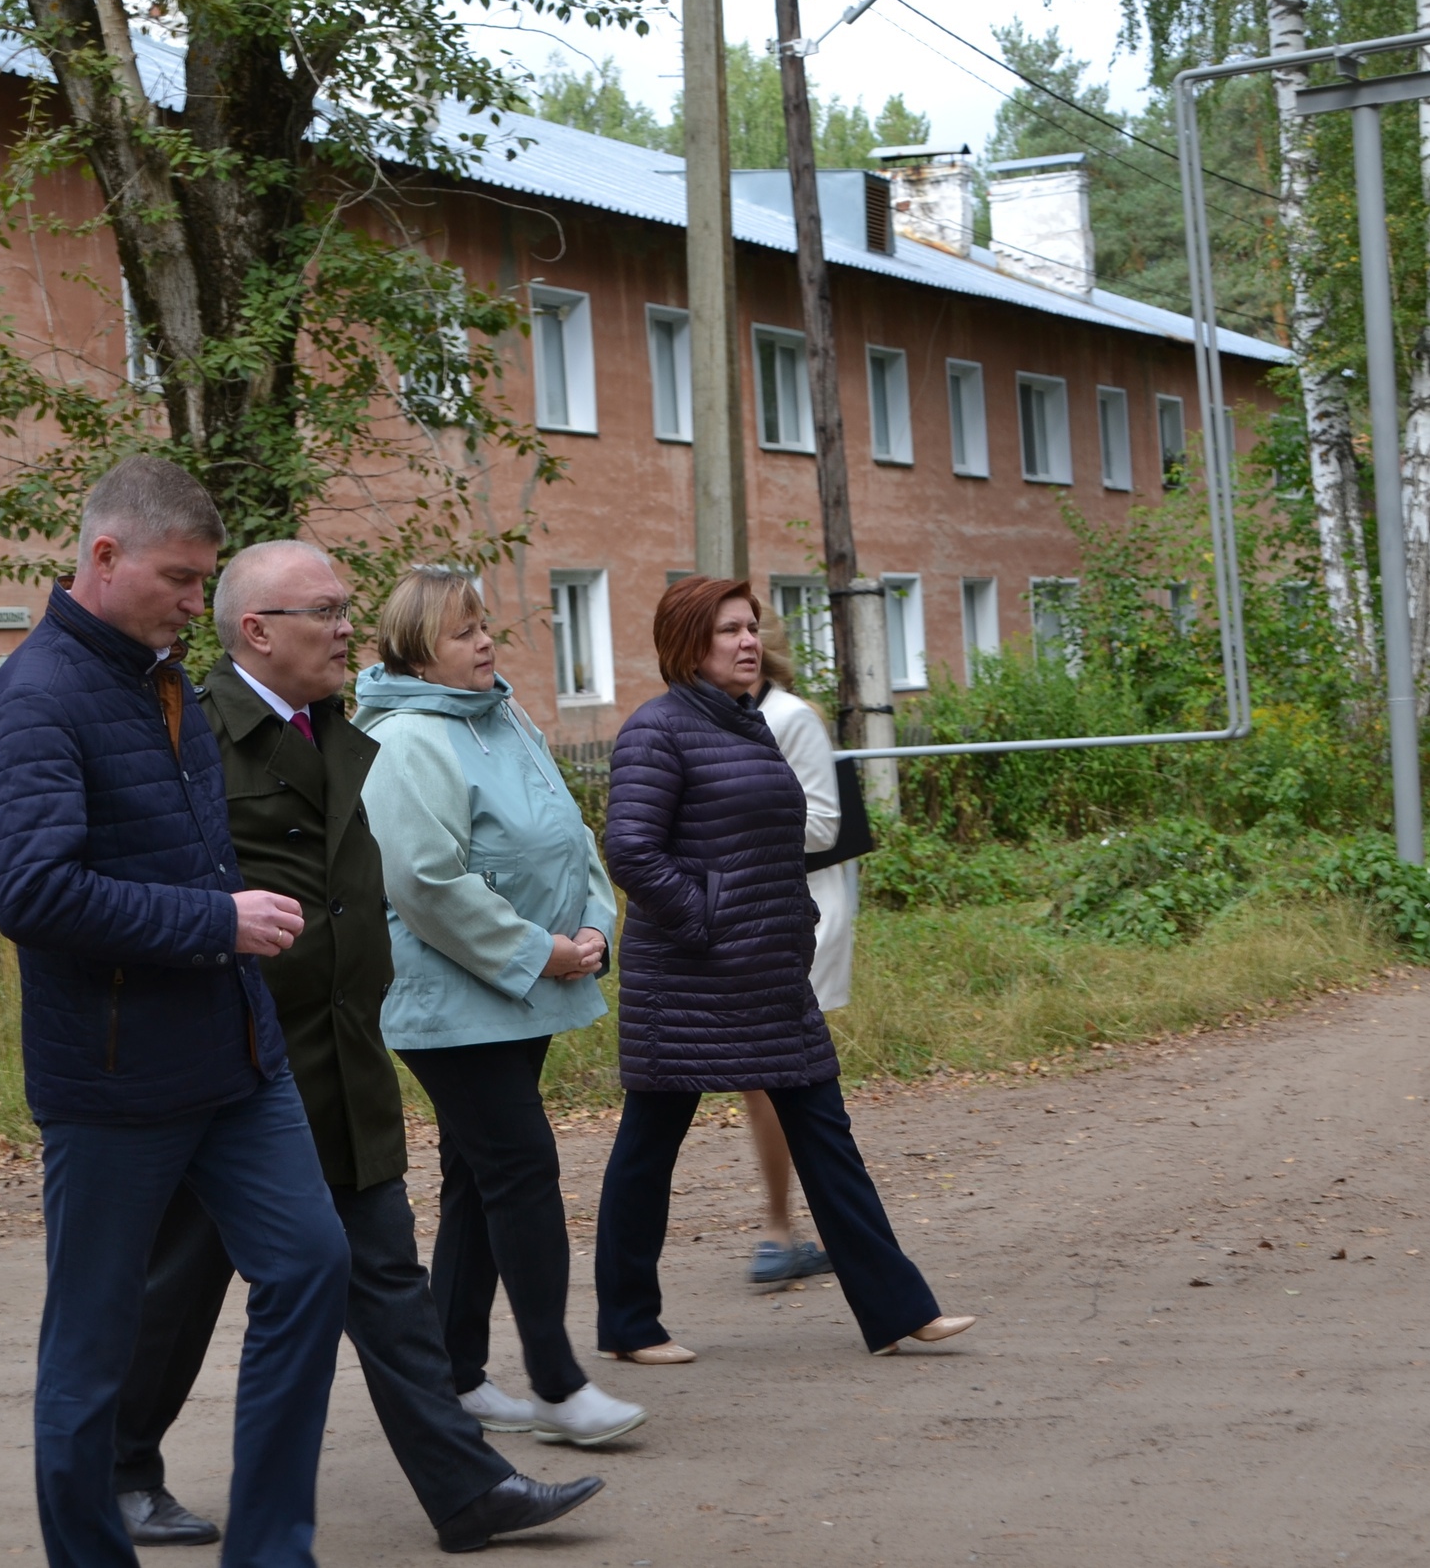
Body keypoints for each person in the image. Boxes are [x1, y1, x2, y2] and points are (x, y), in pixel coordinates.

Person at [110, 539, 604, 1555]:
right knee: (184, 1279)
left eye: (346, 610)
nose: (349, 629)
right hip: (234, 1067)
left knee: (383, 1272)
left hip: (342, 1054)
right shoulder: (187, 734)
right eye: (325, 613)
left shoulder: (340, 729)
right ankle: (117, 1471)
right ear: (258, 632)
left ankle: (466, 1493)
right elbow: (145, 896)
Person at [0, 454, 349, 1568]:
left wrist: (226, 939)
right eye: (181, 582)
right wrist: (214, 923)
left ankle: (271, 1549)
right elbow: (29, 894)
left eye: (203, 584)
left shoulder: (166, 679)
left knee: (311, 1266)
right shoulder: (36, 694)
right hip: (113, 1082)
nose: (198, 605)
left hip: (235, 1063)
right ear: (104, 556)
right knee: (90, 1352)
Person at [594, 576, 977, 1362]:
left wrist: (786, 920)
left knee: (827, 1137)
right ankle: (629, 1324)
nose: (748, 641)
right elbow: (630, 848)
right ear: (687, 643)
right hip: (690, 981)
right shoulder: (655, 731)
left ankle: (901, 1307)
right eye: (729, 629)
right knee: (647, 1149)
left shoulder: (749, 723)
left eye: (752, 626)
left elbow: (780, 838)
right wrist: (708, 917)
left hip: (768, 971)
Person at [352, 567, 646, 1447]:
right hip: (452, 1001)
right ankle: (557, 1384)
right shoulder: (405, 740)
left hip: (525, 990)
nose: (485, 642)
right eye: (462, 631)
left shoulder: (505, 717)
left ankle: (455, 1372)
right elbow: (424, 881)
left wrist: (595, 926)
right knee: (520, 1168)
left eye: (484, 625)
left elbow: (571, 833)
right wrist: (536, 951)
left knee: (480, 1178)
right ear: (416, 652)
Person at [738, 639, 854, 1291]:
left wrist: (735, 820)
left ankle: (786, 1229)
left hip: (800, 910)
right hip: (745, 917)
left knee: (778, 1075)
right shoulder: (709, 719)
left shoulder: (789, 717)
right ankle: (791, 1227)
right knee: (771, 1076)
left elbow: (828, 824)